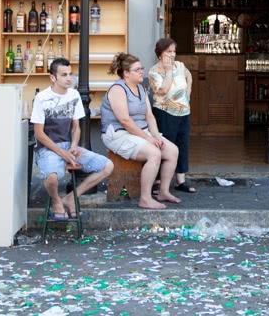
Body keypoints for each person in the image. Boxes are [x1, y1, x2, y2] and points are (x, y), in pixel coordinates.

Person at [31, 58, 113, 220]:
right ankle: (56, 202)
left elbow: (76, 126)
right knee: (52, 178)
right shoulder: (41, 98)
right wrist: (62, 153)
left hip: (68, 146)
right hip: (48, 149)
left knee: (107, 166)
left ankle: (70, 198)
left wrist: (74, 145)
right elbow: (39, 134)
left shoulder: (74, 94)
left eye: (70, 74)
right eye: (64, 75)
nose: (69, 78)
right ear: (52, 78)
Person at [100, 53, 182, 210]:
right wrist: (148, 139)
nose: (141, 72)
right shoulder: (118, 89)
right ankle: (145, 198)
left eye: (141, 68)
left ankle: (163, 192)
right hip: (118, 134)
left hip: (140, 132)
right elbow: (125, 120)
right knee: (154, 153)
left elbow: (150, 117)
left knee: (172, 151)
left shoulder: (141, 88)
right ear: (126, 73)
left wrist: (156, 136)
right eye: (137, 69)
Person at [148, 37, 195, 194]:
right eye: (169, 52)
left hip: (183, 112)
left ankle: (180, 180)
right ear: (160, 53)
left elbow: (189, 77)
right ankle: (159, 181)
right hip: (165, 113)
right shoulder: (154, 71)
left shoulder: (180, 66)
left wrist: (187, 92)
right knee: (165, 146)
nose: (172, 55)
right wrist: (168, 72)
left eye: (174, 51)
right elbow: (162, 90)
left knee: (183, 144)